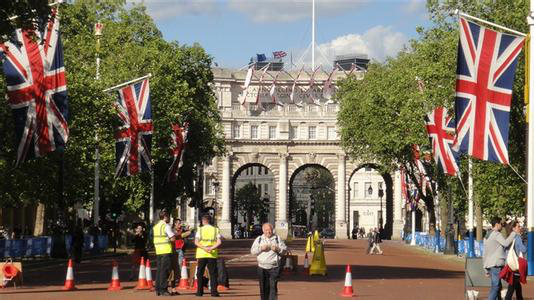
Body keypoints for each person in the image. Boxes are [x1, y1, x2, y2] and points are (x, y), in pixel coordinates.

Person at [483, 217, 517, 300]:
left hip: (490, 264)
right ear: (497, 224)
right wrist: (513, 233)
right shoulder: (496, 234)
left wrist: (485, 269)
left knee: (497, 286)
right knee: (496, 286)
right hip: (496, 264)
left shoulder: (487, 235)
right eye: (501, 224)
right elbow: (505, 243)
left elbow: (485, 253)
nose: (502, 225)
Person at [251, 223, 287, 300]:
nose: (268, 232)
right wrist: (261, 248)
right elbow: (253, 251)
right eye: (266, 230)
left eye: (270, 230)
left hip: (274, 267)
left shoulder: (277, 238)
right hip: (262, 267)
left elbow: (284, 250)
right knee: (263, 287)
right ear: (263, 231)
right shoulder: (259, 239)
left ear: (272, 230)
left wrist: (278, 249)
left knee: (273, 287)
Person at [194, 214, 222, 297]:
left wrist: (204, 248)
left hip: (202, 254)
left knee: (200, 273)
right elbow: (219, 242)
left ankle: (199, 292)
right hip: (212, 254)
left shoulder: (200, 230)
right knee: (213, 273)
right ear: (209, 221)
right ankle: (214, 292)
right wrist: (211, 248)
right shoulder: (215, 230)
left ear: (203, 221)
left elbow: (196, 242)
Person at [153, 210, 176, 297]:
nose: (169, 218)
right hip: (166, 250)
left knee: (159, 271)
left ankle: (158, 289)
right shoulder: (166, 226)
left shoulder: (156, 226)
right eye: (168, 217)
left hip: (158, 250)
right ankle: (163, 289)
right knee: (165, 271)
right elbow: (172, 238)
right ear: (165, 217)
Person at [504, 220, 526, 300]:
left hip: (510, 264)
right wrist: (524, 242)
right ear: (513, 228)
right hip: (515, 264)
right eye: (518, 226)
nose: (520, 228)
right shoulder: (517, 237)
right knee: (512, 286)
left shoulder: (509, 237)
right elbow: (523, 249)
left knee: (517, 286)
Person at [169, 218, 191, 293]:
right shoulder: (171, 230)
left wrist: (187, 231)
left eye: (180, 223)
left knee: (179, 267)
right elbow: (175, 236)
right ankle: (171, 285)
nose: (180, 225)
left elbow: (188, 234)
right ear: (174, 224)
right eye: (178, 223)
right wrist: (183, 234)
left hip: (180, 250)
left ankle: (174, 286)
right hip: (173, 250)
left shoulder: (182, 230)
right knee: (173, 268)